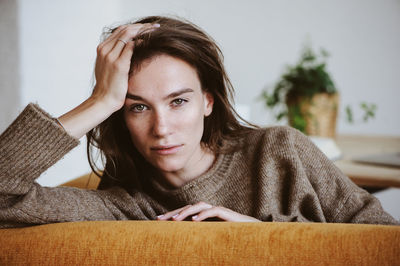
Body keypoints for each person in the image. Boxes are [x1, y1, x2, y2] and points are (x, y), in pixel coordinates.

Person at [0, 16, 398, 228]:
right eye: (137, 107)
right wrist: (99, 100)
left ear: (208, 101)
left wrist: (264, 237)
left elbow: (384, 241)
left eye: (178, 101)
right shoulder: (125, 205)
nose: (162, 128)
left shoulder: (279, 151)